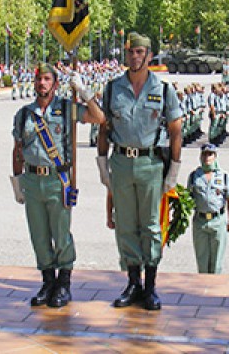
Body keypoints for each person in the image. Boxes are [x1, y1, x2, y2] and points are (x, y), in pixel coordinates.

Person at [96, 32, 183, 311]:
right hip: (121, 162)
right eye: (130, 52)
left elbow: (176, 129)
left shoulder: (164, 89)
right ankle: (133, 282)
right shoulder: (113, 89)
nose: (134, 57)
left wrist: (174, 172)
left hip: (150, 164)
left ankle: (150, 286)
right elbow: (103, 127)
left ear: (148, 55)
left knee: (150, 225)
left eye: (139, 52)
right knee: (125, 225)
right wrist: (102, 164)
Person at [10, 63, 105, 308]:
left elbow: (98, 117)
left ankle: (64, 283)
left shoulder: (66, 108)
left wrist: (83, 91)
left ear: (55, 83)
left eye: (47, 79)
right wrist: (17, 182)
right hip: (32, 180)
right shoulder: (24, 114)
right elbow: (18, 150)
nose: (42, 83)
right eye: (39, 79)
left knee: (61, 234)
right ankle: (47, 281)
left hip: (57, 180)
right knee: (39, 235)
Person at [187, 143, 229, 274]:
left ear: (215, 157)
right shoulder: (194, 176)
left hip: (218, 220)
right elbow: (188, 198)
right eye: (204, 154)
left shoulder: (223, 176)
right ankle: (202, 290)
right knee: (202, 262)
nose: (207, 157)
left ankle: (214, 291)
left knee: (217, 263)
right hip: (200, 221)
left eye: (210, 154)